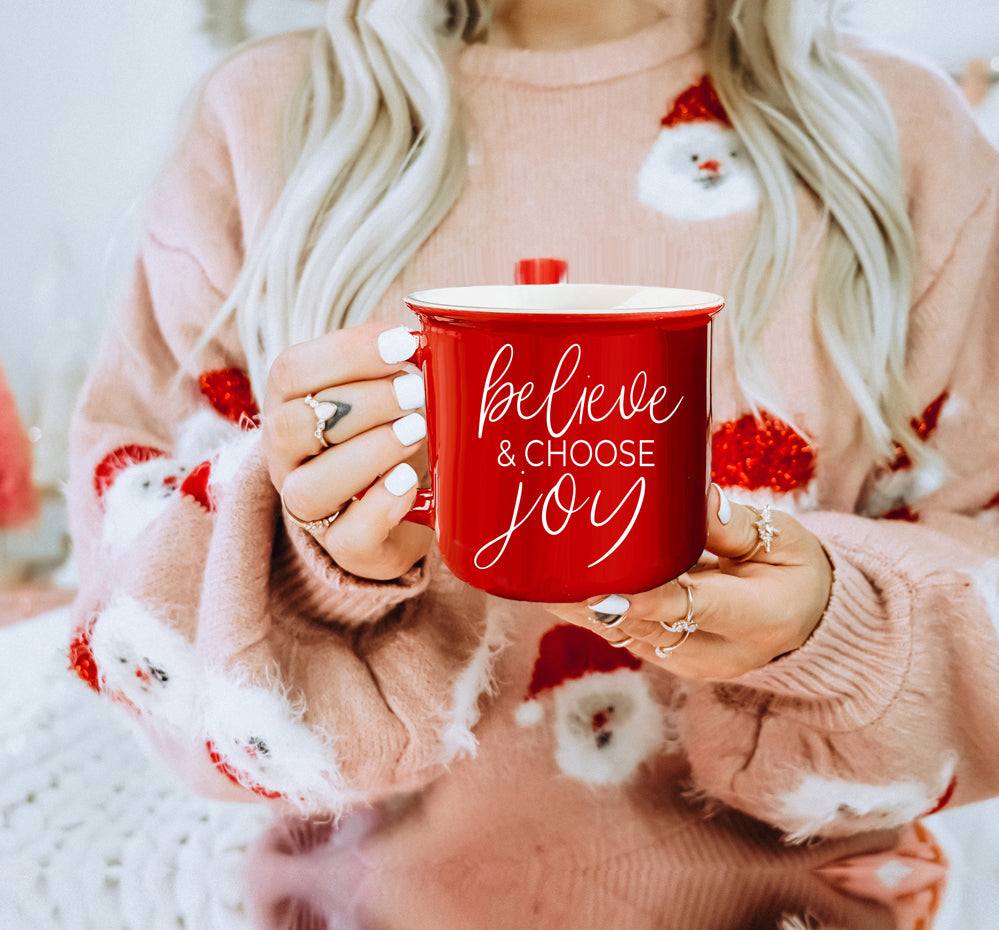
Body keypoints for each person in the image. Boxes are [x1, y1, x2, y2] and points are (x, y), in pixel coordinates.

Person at [68, 0, 999, 856]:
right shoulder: (266, 122)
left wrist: (837, 629)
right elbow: (144, 648)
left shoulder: (894, 132)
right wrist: (312, 575)